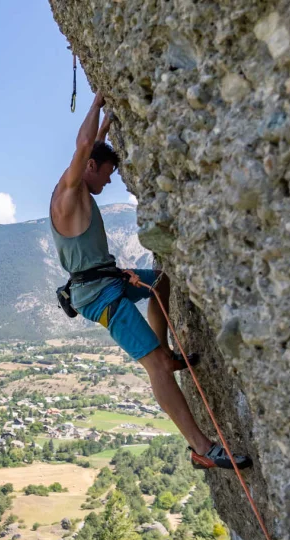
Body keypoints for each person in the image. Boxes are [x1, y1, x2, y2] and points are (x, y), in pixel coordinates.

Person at [49, 92, 251, 470]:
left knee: (160, 281)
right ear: (89, 167)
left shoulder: (73, 186)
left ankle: (167, 353)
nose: (109, 184)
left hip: (105, 278)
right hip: (99, 296)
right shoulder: (71, 193)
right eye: (107, 175)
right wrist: (95, 106)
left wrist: (105, 127)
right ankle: (201, 449)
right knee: (154, 367)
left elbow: (86, 148)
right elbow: (81, 147)